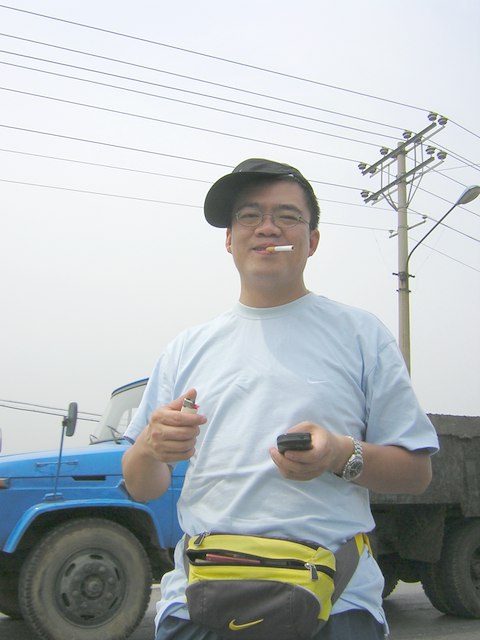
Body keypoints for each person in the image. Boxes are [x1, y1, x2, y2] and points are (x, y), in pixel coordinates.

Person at [122, 158, 439, 640]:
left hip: (335, 605)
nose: (267, 228)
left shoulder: (361, 335)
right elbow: (142, 485)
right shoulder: (186, 348)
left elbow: (416, 473)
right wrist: (149, 446)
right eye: (249, 215)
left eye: (287, 216)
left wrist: (339, 454)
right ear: (229, 239)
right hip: (198, 605)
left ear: (312, 240)